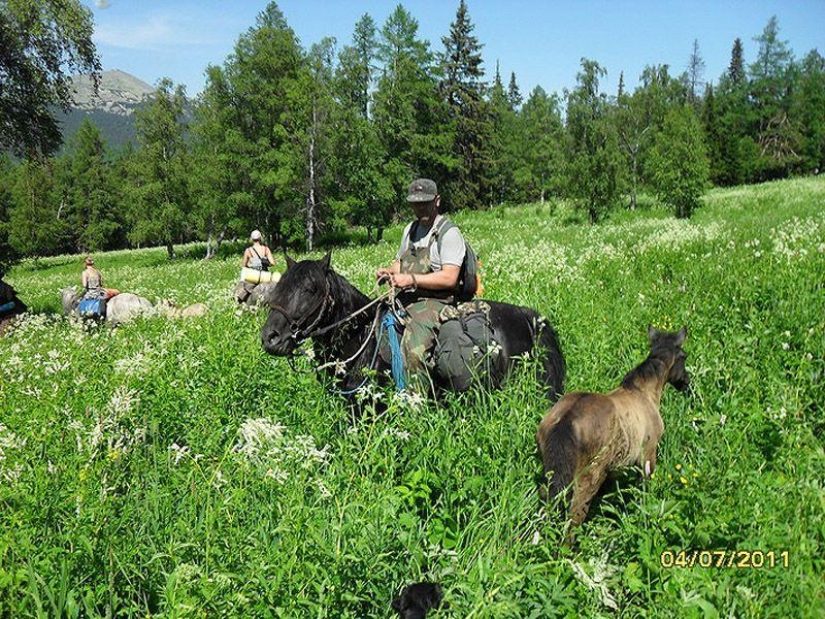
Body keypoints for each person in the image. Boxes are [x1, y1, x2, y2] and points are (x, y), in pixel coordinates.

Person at [375, 178, 467, 393]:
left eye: (425, 203)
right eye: (416, 204)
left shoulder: (449, 233)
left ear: (437, 201)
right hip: (407, 297)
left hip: (436, 301)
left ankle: (417, 402)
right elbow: (400, 262)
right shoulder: (410, 230)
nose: (420, 208)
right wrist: (389, 272)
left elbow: (449, 278)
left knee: (414, 348)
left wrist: (412, 280)